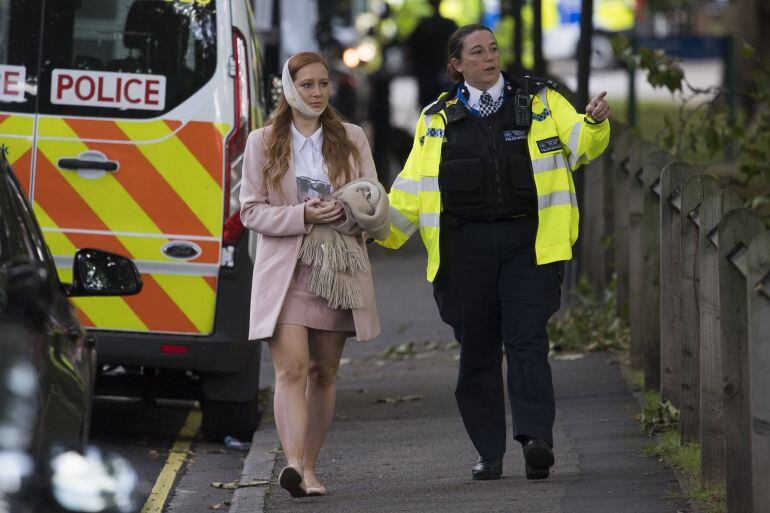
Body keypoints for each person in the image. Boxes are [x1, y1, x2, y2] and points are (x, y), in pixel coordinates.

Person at [378, 25, 610, 481]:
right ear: (457, 65)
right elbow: (410, 189)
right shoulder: (436, 117)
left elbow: (581, 145)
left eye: (494, 49)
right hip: (465, 251)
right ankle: (489, 451)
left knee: (526, 340)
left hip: (529, 243)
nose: (489, 57)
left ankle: (536, 440)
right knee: (478, 352)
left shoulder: (540, 101)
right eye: (478, 52)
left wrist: (595, 122)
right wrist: (373, 227)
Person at [240, 52, 386, 498]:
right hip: (286, 270)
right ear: (289, 88)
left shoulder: (352, 137)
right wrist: (302, 214)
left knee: (324, 372)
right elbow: (250, 210)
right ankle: (294, 466)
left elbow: (374, 200)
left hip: (337, 269)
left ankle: (311, 465)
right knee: (291, 370)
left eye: (324, 84)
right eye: (307, 85)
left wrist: (345, 212)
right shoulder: (262, 142)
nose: (318, 93)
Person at [406, 0, 458, 109]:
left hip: (431, 74)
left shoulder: (422, 25)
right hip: (438, 74)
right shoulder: (448, 25)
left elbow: (410, 49)